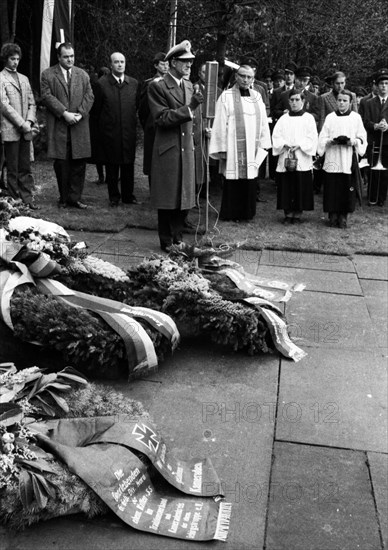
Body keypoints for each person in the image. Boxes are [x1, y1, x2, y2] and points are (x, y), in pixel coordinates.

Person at [147, 39, 203, 251]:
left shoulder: (189, 85)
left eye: (190, 62)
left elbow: (194, 120)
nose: (189, 65)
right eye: (184, 61)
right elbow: (161, 118)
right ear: (172, 63)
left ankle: (178, 238)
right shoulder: (158, 86)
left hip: (186, 149)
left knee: (184, 196)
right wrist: (190, 108)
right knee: (168, 197)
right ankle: (167, 241)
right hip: (169, 150)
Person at [209, 64, 271, 221]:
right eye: (243, 76)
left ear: (253, 79)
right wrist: (222, 148)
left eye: (249, 77)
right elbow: (220, 123)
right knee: (233, 180)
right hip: (233, 147)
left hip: (252, 147)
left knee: (250, 179)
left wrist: (264, 143)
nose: (246, 79)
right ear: (236, 76)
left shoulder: (257, 97)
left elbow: (263, 122)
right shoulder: (226, 96)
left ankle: (247, 213)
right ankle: (232, 213)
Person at [41, 42, 94, 209]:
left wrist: (79, 113)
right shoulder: (48, 74)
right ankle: (63, 198)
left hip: (79, 126)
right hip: (60, 125)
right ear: (58, 57)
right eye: (66, 56)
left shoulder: (82, 74)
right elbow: (46, 96)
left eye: (72, 56)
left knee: (79, 163)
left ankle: (75, 198)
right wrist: (64, 113)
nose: (70, 59)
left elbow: (90, 95)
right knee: (62, 163)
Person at [92, 52, 138, 207]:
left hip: (128, 132)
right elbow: (96, 112)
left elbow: (136, 108)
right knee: (112, 166)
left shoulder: (133, 84)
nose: (120, 64)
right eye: (116, 62)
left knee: (128, 165)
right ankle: (114, 197)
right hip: (109, 133)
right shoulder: (101, 84)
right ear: (110, 65)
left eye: (122, 61)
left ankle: (128, 196)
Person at [318, 90, 367, 227]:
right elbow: (322, 137)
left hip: (347, 158)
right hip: (333, 156)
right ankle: (332, 215)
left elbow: (362, 137)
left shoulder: (355, 117)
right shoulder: (330, 117)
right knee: (332, 186)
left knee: (346, 187)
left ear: (350, 103)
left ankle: (343, 216)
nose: (341, 103)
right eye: (339, 100)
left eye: (345, 101)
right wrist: (329, 142)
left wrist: (353, 141)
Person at [0, 43, 38, 209]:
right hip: (11, 129)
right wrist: (22, 124)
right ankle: (14, 201)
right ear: (5, 59)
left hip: (26, 129)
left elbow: (32, 103)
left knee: (25, 166)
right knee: (13, 167)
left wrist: (29, 121)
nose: (15, 62)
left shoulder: (24, 79)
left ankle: (27, 199)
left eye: (17, 59)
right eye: (12, 59)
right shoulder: (1, 78)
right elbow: (4, 105)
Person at [272, 88, 318, 224]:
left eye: (297, 99)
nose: (294, 102)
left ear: (303, 101)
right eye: (291, 100)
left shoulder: (308, 118)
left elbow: (312, 137)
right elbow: (276, 136)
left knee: (300, 186)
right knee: (287, 186)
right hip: (286, 155)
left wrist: (300, 145)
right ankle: (288, 213)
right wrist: (284, 144)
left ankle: (297, 214)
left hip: (302, 157)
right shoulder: (283, 118)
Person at [138, 52, 168, 188]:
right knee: (152, 160)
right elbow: (143, 109)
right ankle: (153, 190)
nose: (166, 67)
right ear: (156, 66)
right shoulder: (150, 83)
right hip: (153, 126)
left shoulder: (171, 82)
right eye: (162, 64)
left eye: (167, 64)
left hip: (167, 125)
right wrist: (148, 125)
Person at [363, 68, 388, 206]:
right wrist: (375, 126)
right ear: (377, 87)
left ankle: (382, 198)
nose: (384, 86)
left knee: (385, 171)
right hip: (374, 140)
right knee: (372, 170)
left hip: (387, 142)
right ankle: (372, 197)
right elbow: (366, 122)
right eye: (381, 84)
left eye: (386, 83)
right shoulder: (369, 103)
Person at [89, 66, 110, 184]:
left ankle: (104, 176)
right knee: (99, 153)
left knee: (104, 152)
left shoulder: (101, 85)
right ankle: (102, 176)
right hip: (98, 123)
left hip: (102, 122)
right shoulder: (97, 86)